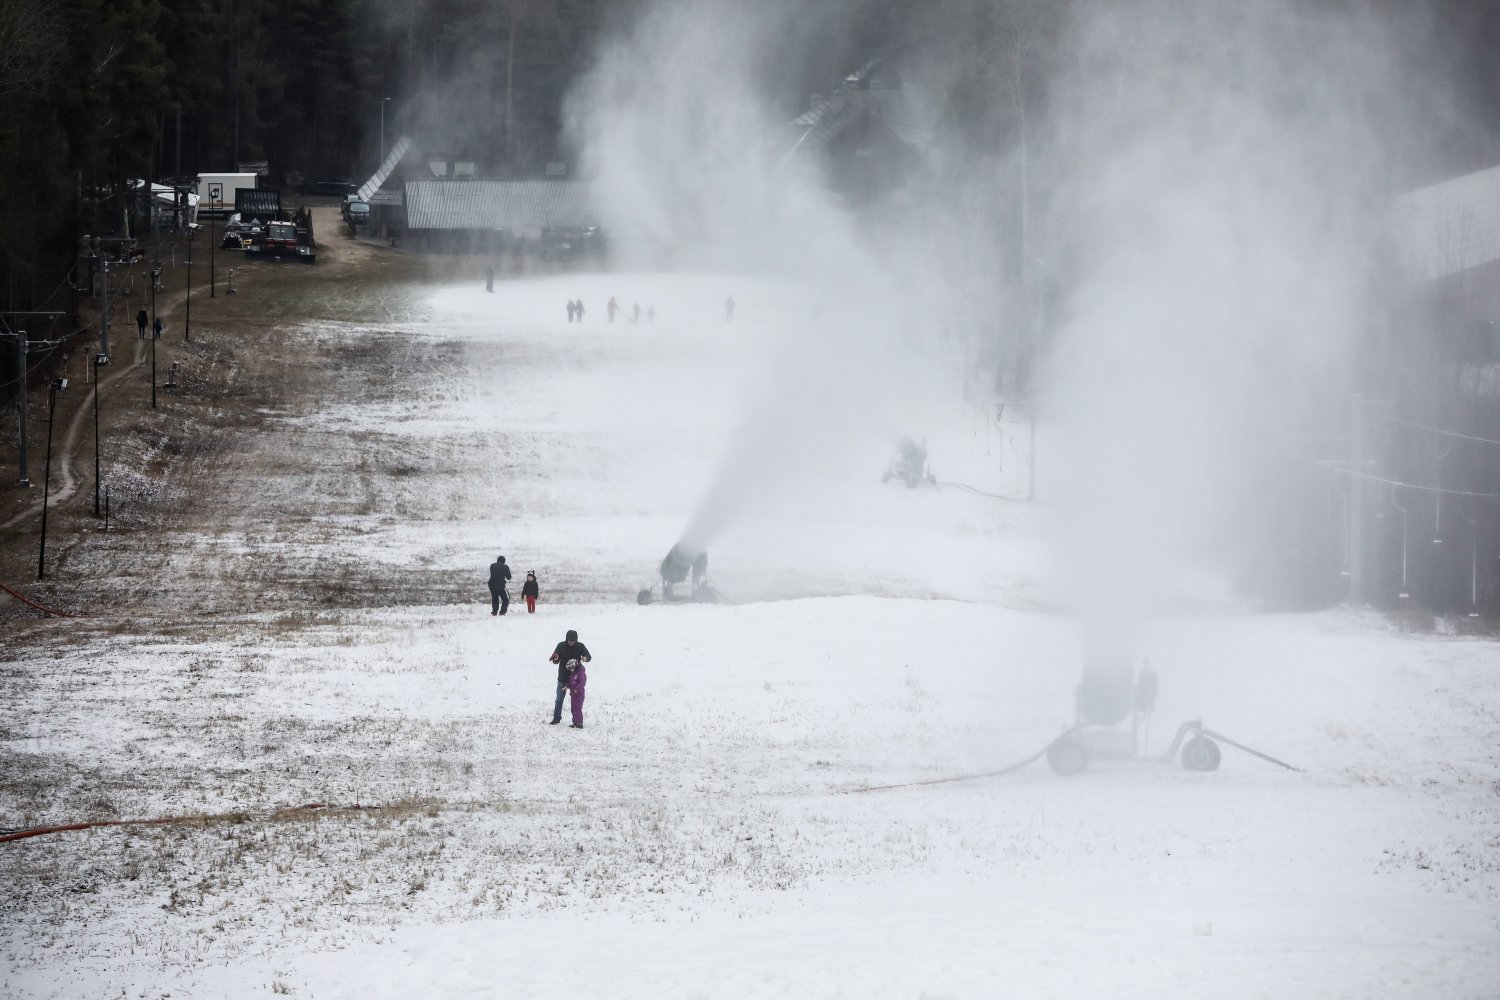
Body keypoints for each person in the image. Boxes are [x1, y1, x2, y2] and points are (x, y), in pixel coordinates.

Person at [549, 629, 591, 726]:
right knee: (559, 699)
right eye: (570, 641)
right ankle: (556, 718)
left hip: (576, 678)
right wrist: (555, 658)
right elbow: (556, 660)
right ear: (566, 639)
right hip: (563, 677)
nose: (571, 643)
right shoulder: (560, 646)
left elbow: (589, 656)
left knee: (576, 703)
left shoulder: (580, 646)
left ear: (576, 640)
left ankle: (577, 721)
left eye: (573, 641)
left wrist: (585, 658)